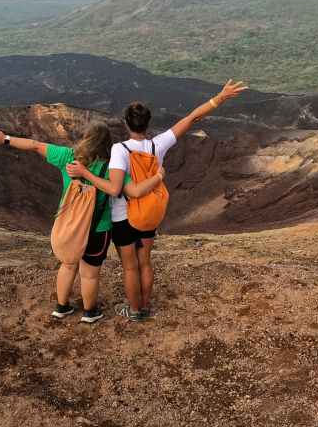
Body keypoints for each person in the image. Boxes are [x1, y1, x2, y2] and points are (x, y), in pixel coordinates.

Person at [67, 79, 248, 322]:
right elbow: (192, 118)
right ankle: (145, 306)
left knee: (130, 267)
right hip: (149, 215)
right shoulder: (157, 145)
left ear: (126, 123)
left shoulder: (120, 150)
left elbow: (113, 189)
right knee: (145, 263)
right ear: (147, 123)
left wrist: (85, 174)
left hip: (123, 217)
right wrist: (221, 96)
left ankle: (134, 311)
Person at [0, 121, 164, 324]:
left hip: (70, 226)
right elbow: (136, 191)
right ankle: (90, 313)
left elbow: (34, 145)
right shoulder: (112, 167)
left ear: (86, 138)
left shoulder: (68, 156)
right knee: (90, 274)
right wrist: (158, 177)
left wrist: (5, 139)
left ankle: (61, 307)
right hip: (99, 229)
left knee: (68, 265)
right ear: (107, 144)